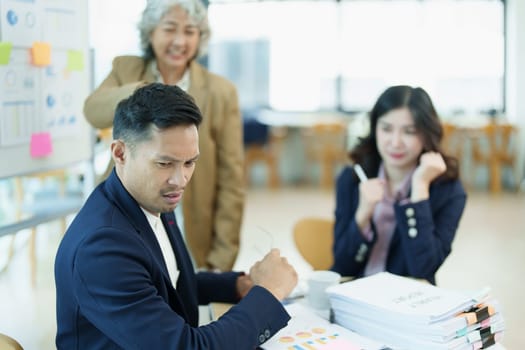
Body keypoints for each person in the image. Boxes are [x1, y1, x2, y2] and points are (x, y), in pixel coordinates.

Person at [55, 83, 297, 349]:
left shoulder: (151, 198)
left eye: (189, 162)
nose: (179, 180)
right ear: (120, 153)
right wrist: (269, 293)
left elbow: (169, 280)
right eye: (164, 163)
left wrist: (237, 286)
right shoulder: (103, 247)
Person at [84, 0, 243, 271]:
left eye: (190, 31)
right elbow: (93, 110)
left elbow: (232, 178)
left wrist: (222, 259)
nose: (180, 41)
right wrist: (148, 93)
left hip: (191, 225)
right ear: (150, 32)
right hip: (130, 212)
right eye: (170, 29)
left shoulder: (221, 91)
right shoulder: (126, 69)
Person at [331, 85, 466, 285]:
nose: (395, 142)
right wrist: (363, 214)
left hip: (406, 304)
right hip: (352, 299)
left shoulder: (448, 190)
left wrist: (420, 189)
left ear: (427, 134)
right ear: (374, 128)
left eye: (409, 131)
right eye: (386, 129)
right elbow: (342, 266)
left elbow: (423, 269)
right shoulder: (353, 178)